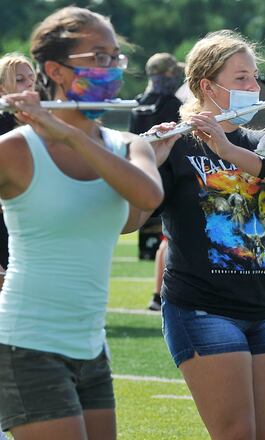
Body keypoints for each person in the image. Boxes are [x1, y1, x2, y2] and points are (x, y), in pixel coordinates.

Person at [0, 6, 163, 439]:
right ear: (55, 69)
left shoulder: (130, 146)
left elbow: (148, 198)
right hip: (26, 342)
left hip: (91, 346)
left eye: (115, 58)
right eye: (99, 58)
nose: (111, 70)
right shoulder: (14, 150)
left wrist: (68, 132)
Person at [149, 30, 265, 439]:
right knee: (237, 433)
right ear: (207, 85)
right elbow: (134, 217)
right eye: (241, 78)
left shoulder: (262, 143)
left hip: (263, 309)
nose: (254, 87)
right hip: (202, 309)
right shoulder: (175, 143)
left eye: (254, 77)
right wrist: (147, 163)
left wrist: (231, 151)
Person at [128, 52, 185, 311]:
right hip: (167, 173)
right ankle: (159, 295)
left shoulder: (139, 103)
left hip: (139, 173)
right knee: (169, 237)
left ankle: (158, 295)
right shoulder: (173, 103)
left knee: (165, 237)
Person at [0, 53, 36, 286]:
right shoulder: (3, 123)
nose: (30, 85)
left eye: (32, 78)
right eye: (21, 79)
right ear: (2, 89)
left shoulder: (40, 122)